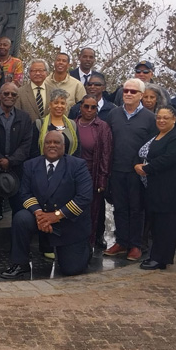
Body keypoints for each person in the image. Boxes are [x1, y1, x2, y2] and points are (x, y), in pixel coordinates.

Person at [1, 131, 92, 278]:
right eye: (48, 142)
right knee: (21, 218)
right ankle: (20, 263)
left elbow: (84, 197)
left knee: (71, 269)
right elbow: (25, 193)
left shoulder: (77, 165)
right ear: (43, 146)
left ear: (64, 146)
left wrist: (56, 216)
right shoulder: (31, 165)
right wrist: (39, 214)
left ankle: (84, 250)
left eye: (56, 142)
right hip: (41, 218)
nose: (52, 145)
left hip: (67, 223)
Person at [104, 78, 157, 260]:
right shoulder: (114, 114)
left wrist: (142, 165)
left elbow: (152, 146)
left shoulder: (150, 118)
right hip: (116, 169)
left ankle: (135, 245)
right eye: (125, 90)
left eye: (133, 91)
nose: (128, 94)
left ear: (141, 95)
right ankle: (121, 241)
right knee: (119, 207)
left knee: (136, 208)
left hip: (138, 172)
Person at [133, 105, 176, 270]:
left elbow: (169, 158)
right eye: (158, 117)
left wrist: (146, 168)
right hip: (155, 187)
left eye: (166, 118)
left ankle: (161, 259)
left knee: (167, 224)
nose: (161, 120)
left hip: (171, 188)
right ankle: (155, 255)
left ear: (174, 119)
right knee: (157, 223)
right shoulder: (155, 135)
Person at [0, 83, 33, 253]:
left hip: (16, 170)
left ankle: (19, 246)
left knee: (19, 212)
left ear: (17, 97)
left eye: (13, 94)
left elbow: (26, 145)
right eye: (6, 93)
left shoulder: (25, 118)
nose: (9, 96)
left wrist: (10, 161)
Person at [74, 94, 112, 249]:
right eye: (86, 106)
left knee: (93, 210)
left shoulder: (102, 127)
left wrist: (102, 178)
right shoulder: (72, 124)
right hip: (74, 175)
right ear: (80, 107)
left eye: (93, 107)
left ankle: (89, 242)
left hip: (93, 174)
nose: (89, 110)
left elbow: (106, 154)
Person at [32, 89, 80, 157]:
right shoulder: (39, 124)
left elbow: (77, 149)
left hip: (69, 163)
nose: (59, 106)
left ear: (66, 105)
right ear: (50, 105)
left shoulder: (72, 125)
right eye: (56, 103)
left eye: (62, 103)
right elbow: (34, 150)